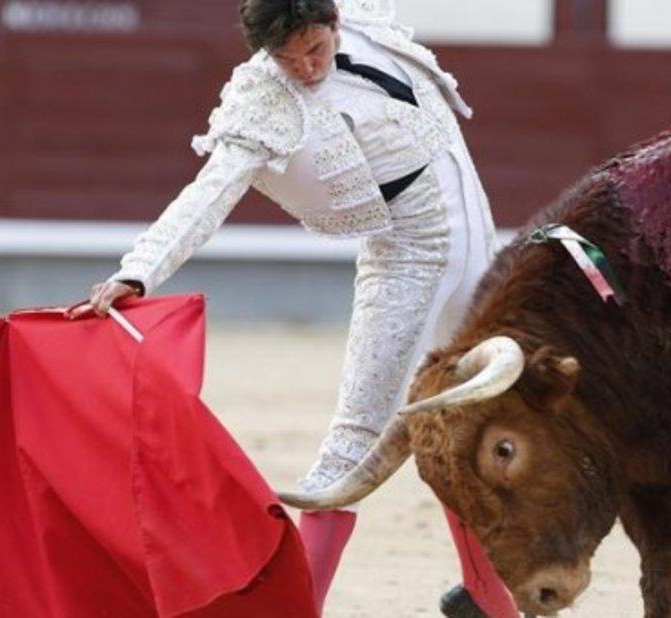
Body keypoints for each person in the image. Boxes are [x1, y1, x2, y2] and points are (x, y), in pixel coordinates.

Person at [72, 1, 517, 615]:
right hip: (408, 262)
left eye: (315, 49)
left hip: (479, 247)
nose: (306, 68)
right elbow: (212, 190)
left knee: (471, 418)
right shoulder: (264, 96)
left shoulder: (360, 17)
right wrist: (138, 269)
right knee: (353, 447)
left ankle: (491, 599)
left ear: (334, 22)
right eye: (288, 58)